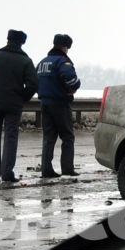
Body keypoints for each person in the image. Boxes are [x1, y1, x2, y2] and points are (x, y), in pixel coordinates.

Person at [0, 28, 37, 182]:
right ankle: (7, 172)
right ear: (22, 43)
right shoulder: (26, 61)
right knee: (11, 137)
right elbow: (33, 84)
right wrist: (22, 98)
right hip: (14, 105)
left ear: (8, 39)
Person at [35, 32, 81, 178]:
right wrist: (72, 88)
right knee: (67, 137)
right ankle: (67, 169)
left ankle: (46, 170)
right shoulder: (62, 61)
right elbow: (71, 79)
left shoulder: (42, 62)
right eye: (68, 47)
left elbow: (36, 82)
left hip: (44, 103)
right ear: (65, 47)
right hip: (60, 104)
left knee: (49, 138)